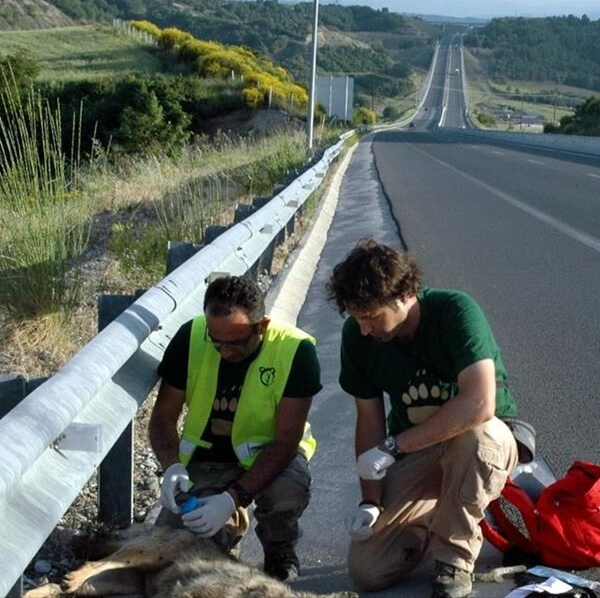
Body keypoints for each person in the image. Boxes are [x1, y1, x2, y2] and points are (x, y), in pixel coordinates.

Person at [327, 239, 520, 598]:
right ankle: (437, 516)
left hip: (483, 442)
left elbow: (479, 403)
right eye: (356, 317)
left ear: (406, 292)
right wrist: (370, 501)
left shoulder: (455, 311)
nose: (364, 328)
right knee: (369, 571)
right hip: (417, 450)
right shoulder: (357, 336)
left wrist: (392, 446)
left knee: (477, 435)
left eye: (370, 315)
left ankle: (454, 560)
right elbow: (368, 419)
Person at [149, 274, 322, 582]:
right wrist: (172, 467)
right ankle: (226, 532)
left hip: (271, 456)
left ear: (262, 326)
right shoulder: (191, 337)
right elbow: (163, 417)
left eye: (236, 343)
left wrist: (232, 497)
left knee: (287, 490)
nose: (225, 351)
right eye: (217, 342)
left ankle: (280, 551)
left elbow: (285, 442)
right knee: (175, 553)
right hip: (208, 460)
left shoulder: (295, 351)